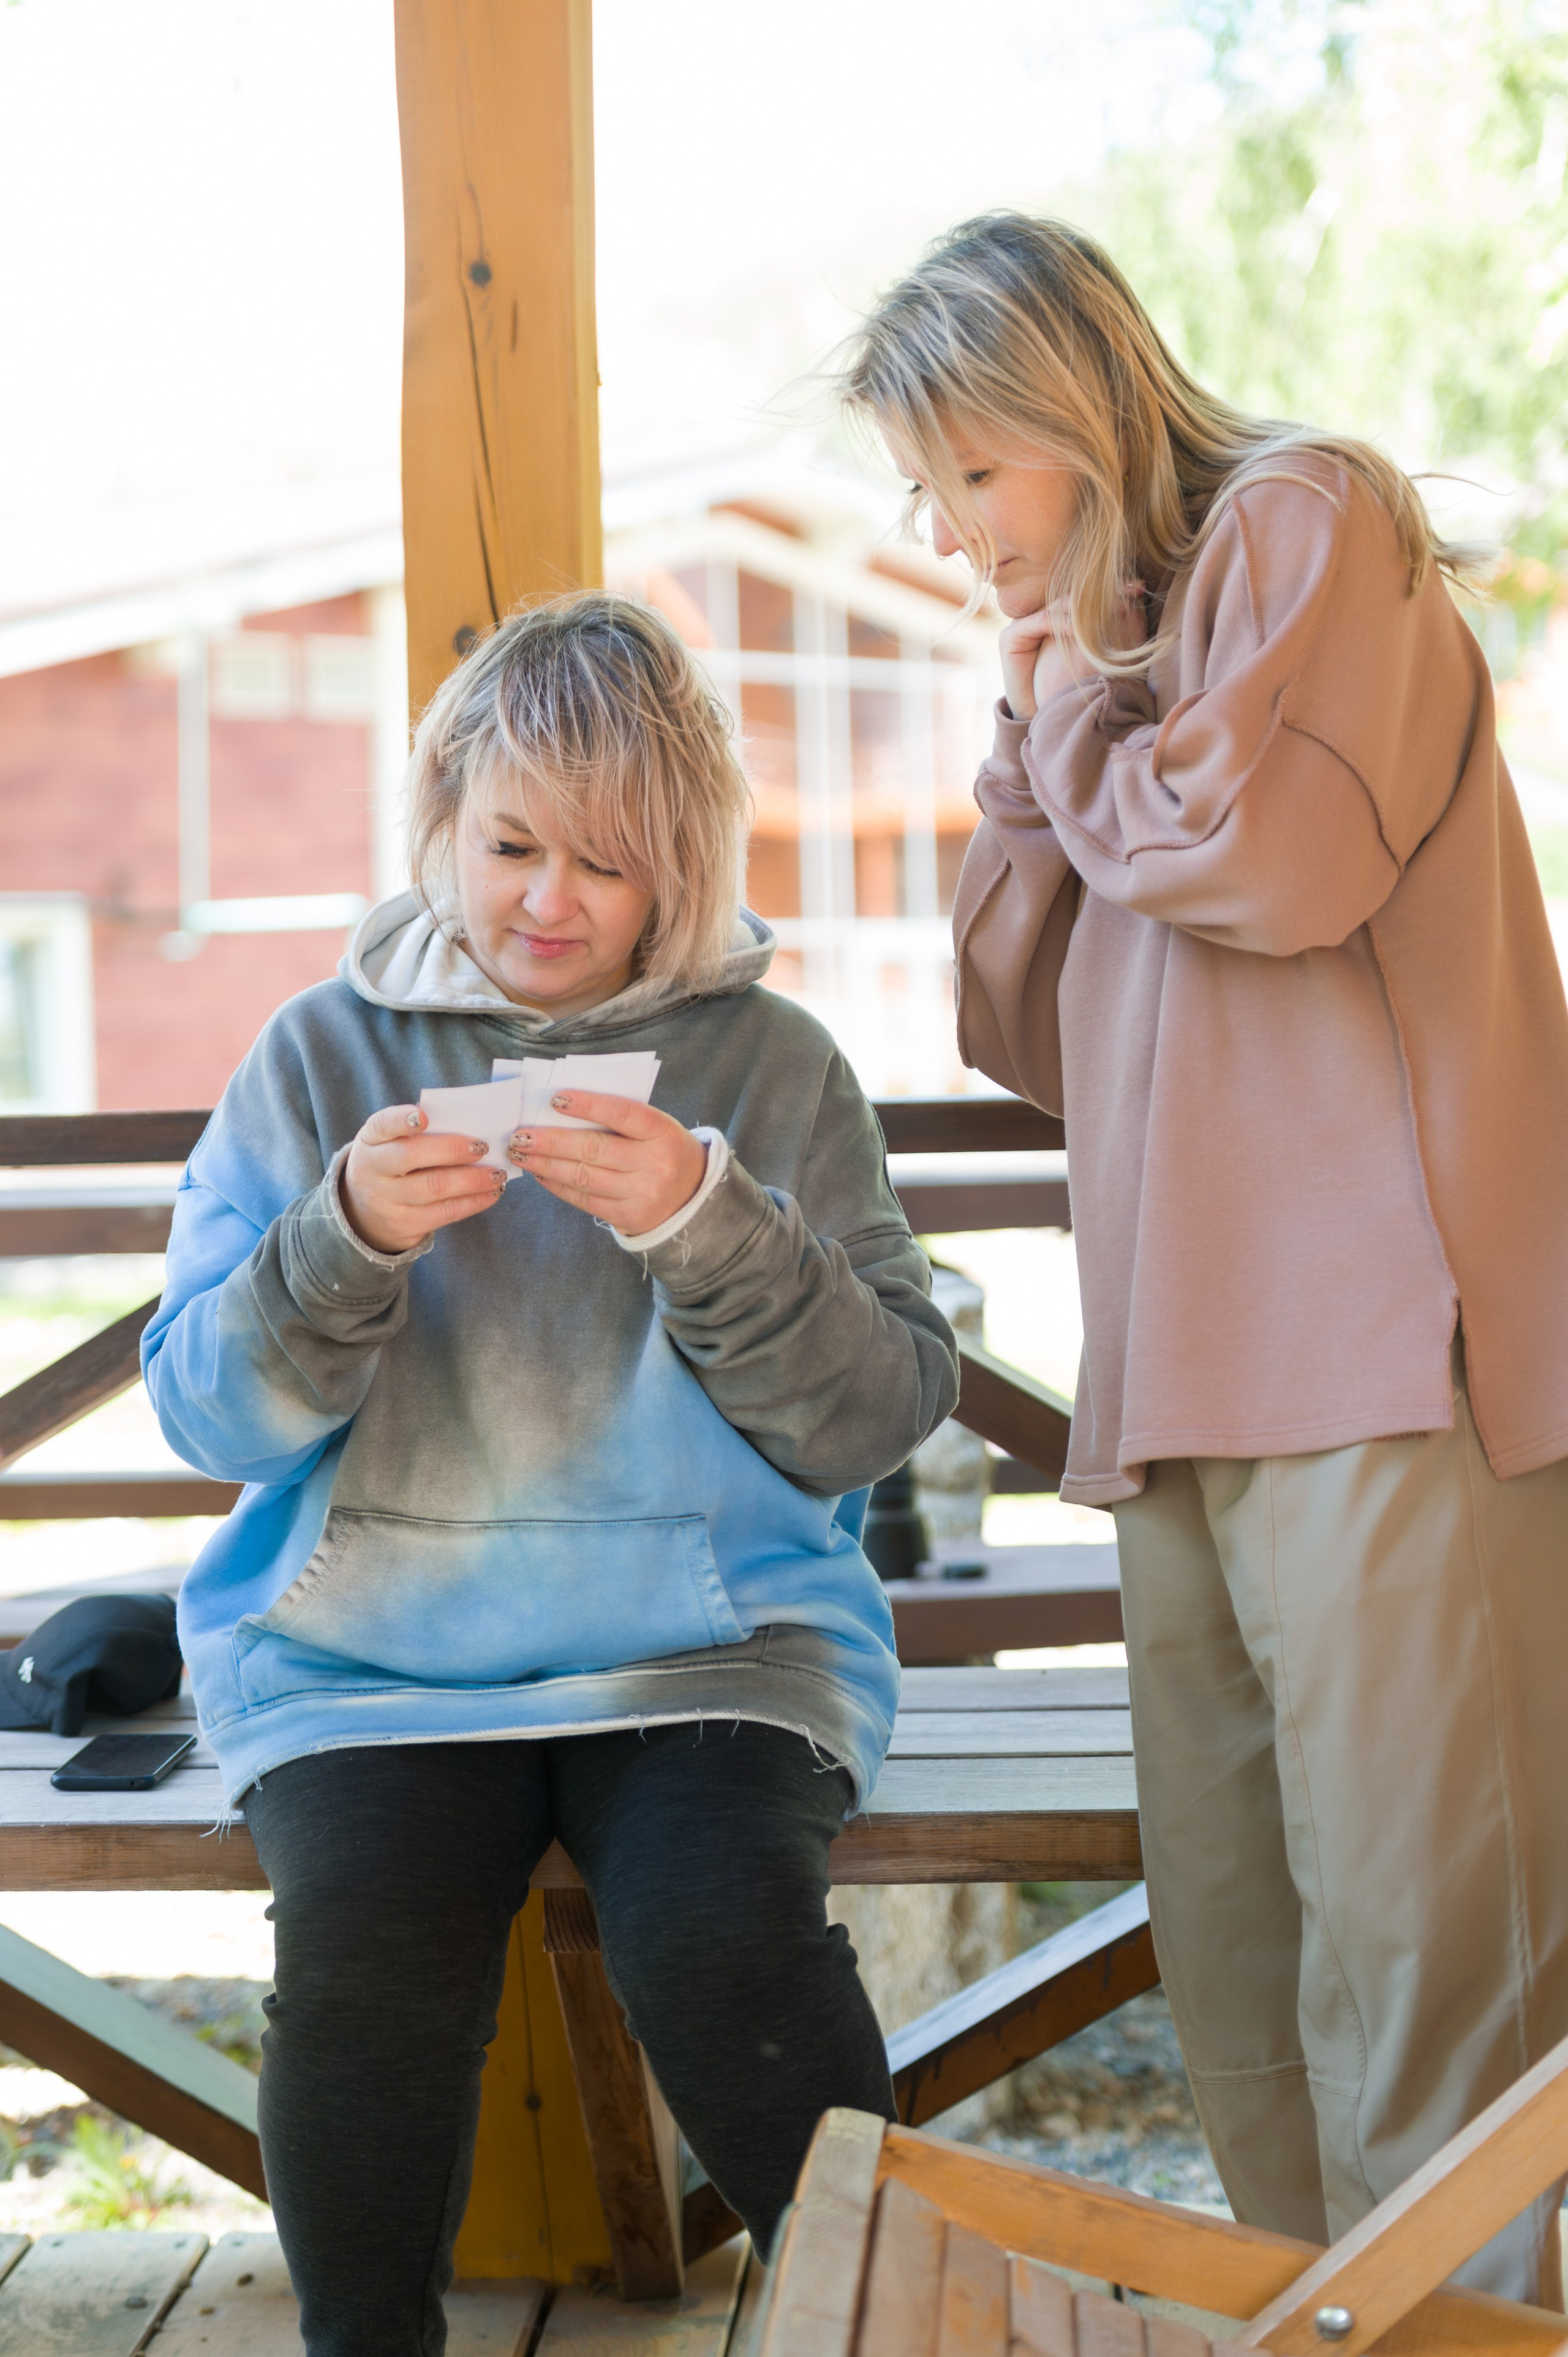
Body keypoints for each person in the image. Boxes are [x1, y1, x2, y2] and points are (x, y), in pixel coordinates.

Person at [840, 211, 1568, 2304]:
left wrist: (1068, 712)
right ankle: (1327, 2329)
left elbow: (1271, 859)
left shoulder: (1304, 520)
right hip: (1182, 1387)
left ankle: (1472, 2348)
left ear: (1077, 397)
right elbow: (1015, 1016)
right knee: (1245, 1967)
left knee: (1443, 1973)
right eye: (926, 489)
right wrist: (1045, 720)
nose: (957, 529)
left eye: (978, 469)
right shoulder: (1115, 657)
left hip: (1391, 1360)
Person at [142, 592, 957, 2355]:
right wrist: (341, 1237)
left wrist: (705, 1222)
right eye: (511, 843)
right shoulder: (316, 1056)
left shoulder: (778, 1067)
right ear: (440, 818)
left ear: (684, 866)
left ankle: (897, 2330)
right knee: (365, 1952)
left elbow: (875, 1417)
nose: (549, 902)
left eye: (610, 862)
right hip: (367, 1662)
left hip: (717, 1651)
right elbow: (207, 1419)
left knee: (726, 1937)